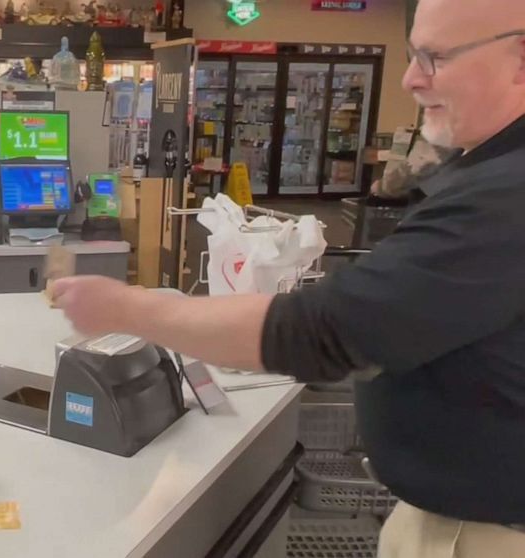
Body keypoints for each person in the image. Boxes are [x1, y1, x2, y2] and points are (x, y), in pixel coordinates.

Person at [53, 0, 525, 554]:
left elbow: (320, 332)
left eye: (436, 58)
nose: (411, 79)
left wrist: (127, 309)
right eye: (413, 55)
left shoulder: (505, 198)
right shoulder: (492, 176)